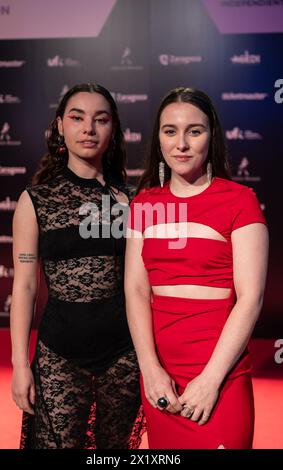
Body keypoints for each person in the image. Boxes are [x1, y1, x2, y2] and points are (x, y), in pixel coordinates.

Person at [125, 87, 269, 449]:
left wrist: (210, 380)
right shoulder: (144, 204)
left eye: (195, 130)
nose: (182, 144)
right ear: (158, 139)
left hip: (221, 372)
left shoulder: (240, 200)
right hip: (162, 376)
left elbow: (250, 299)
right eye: (170, 131)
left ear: (212, 136)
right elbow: (136, 290)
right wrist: (151, 370)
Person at [10, 83, 145, 449]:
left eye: (100, 119)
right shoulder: (35, 201)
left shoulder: (134, 200)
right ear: (60, 126)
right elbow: (24, 286)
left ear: (113, 129)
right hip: (60, 355)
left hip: (125, 356)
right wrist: (20, 365)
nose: (88, 128)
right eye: (77, 117)